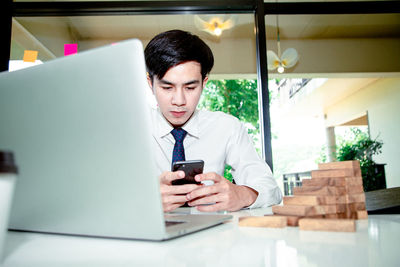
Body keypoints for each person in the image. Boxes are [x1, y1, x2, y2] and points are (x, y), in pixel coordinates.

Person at [144, 29, 282, 212]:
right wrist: (143, 200)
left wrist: (242, 194)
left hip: (214, 236)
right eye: (167, 87)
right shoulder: (130, 128)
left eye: (190, 87)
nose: (179, 101)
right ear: (150, 83)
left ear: (204, 83)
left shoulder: (227, 127)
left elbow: (270, 188)